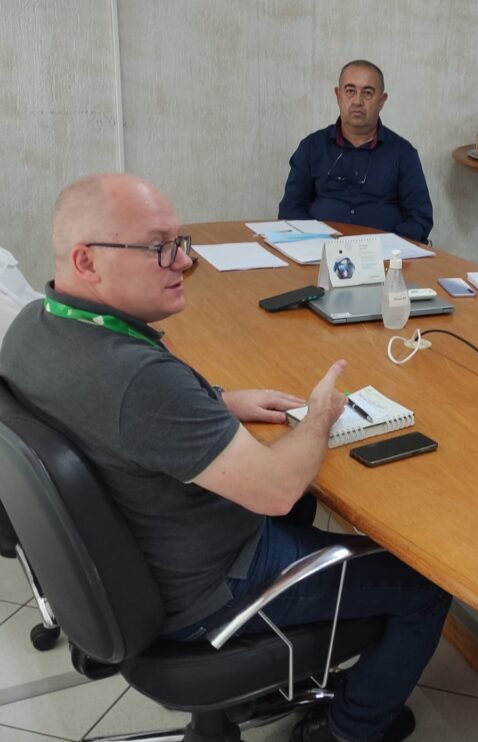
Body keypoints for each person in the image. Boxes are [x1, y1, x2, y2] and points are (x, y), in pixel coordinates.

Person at [0, 173, 450, 742]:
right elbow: (277, 489)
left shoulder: (31, 328)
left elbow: (110, 412)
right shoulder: (140, 381)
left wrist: (216, 401)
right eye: (158, 248)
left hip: (140, 555)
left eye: (179, 243)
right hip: (209, 589)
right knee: (425, 587)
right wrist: (319, 415)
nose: (183, 262)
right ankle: (347, 731)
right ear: (87, 261)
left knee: (302, 511)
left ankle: (268, 691)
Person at [278, 59, 433, 243]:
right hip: (318, 250)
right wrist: (317, 241)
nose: (358, 101)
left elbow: (419, 218)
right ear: (338, 95)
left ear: (382, 100)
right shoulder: (312, 147)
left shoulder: (403, 153)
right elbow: (290, 209)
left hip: (383, 254)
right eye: (350, 91)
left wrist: (385, 247)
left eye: (367, 93)